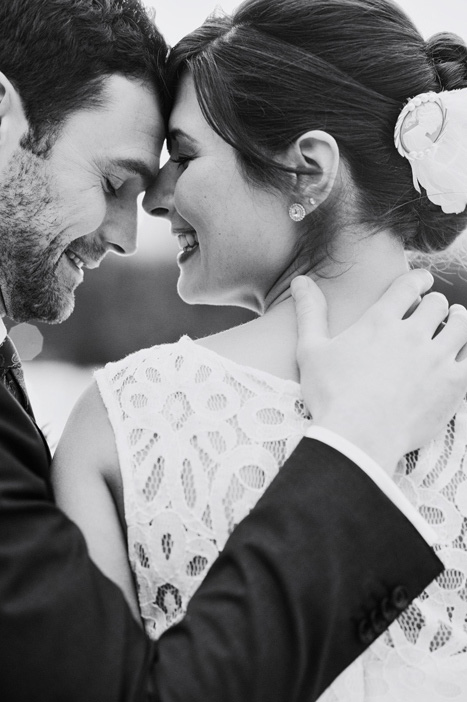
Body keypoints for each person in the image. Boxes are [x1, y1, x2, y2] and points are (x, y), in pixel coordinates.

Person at [0, 1, 462, 701]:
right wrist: (353, 446)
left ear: (307, 171)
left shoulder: (130, 416)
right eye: (114, 180)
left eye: (181, 156)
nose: (149, 209)